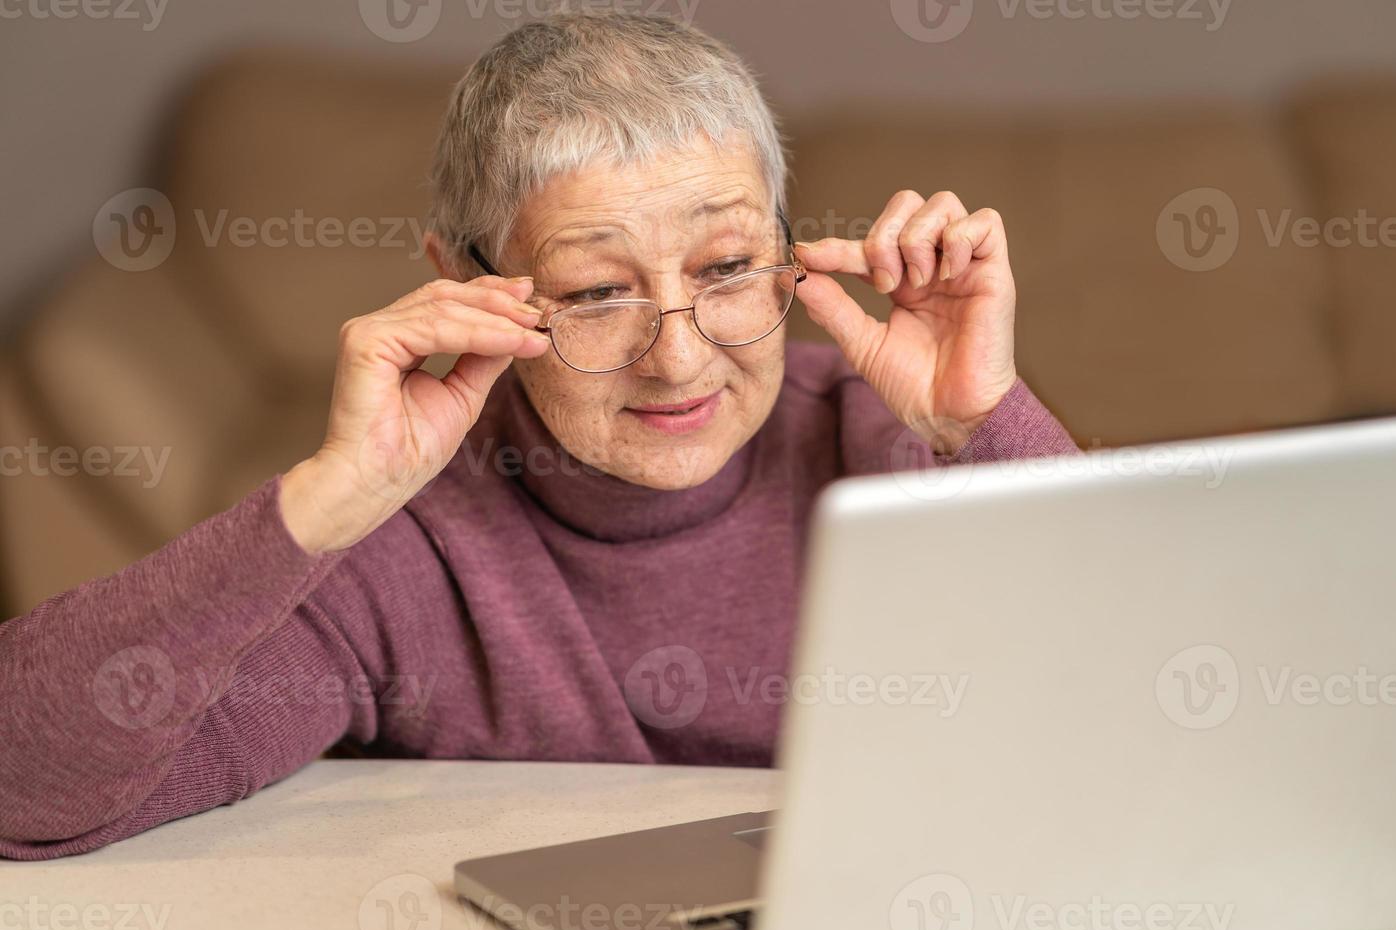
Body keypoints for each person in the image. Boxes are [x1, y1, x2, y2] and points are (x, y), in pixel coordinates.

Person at [0, 12, 1078, 860]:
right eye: (597, 289)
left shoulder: (892, 443)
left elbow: (1149, 739)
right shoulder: (403, 548)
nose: (681, 357)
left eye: (728, 269)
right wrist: (321, 505)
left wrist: (985, 426)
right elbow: (26, 793)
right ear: (465, 284)